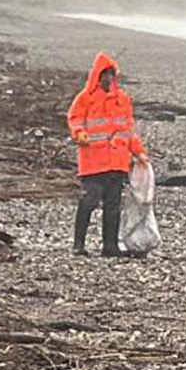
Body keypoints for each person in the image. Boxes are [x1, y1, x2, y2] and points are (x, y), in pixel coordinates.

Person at [65, 52, 148, 256]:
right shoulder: (85, 98)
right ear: (97, 76)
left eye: (111, 74)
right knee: (88, 202)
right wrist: (80, 134)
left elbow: (129, 131)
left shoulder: (123, 100)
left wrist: (139, 153)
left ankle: (109, 246)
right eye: (105, 74)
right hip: (93, 161)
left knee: (112, 206)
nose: (108, 78)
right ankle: (78, 244)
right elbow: (75, 120)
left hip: (117, 162)